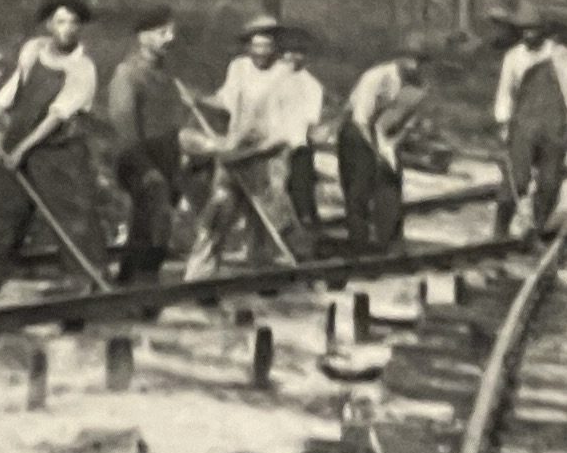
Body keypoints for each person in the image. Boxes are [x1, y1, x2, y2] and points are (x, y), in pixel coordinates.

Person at [0, 0, 108, 289]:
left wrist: (20, 150)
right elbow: (16, 86)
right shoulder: (33, 50)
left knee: (72, 214)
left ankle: (85, 278)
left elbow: (55, 118)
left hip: (58, 150)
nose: (67, 29)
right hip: (19, 137)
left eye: (73, 23)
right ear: (48, 25)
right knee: (5, 209)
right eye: (60, 21)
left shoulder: (82, 68)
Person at [183, 15, 327, 274]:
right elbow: (226, 101)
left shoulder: (289, 77)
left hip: (268, 158)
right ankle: (199, 278)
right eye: (255, 45)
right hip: (234, 153)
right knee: (217, 214)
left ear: (275, 47)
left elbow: (288, 133)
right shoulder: (239, 67)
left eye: (267, 45)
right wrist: (200, 99)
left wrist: (252, 153)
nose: (260, 52)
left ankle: (266, 276)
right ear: (247, 45)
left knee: (266, 222)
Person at [100, 5, 198, 283]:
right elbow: (125, 130)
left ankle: (128, 280)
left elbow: (171, 123)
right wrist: (146, 169)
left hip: (166, 158)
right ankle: (145, 284)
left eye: (171, 32)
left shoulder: (165, 76)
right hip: (136, 159)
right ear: (143, 37)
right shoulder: (127, 75)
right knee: (156, 218)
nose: (169, 38)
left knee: (146, 225)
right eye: (161, 32)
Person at [492, 11, 567, 237]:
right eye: (525, 30)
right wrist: (503, 121)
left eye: (534, 30)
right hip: (524, 124)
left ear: (543, 32)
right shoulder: (513, 57)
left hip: (553, 126)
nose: (529, 35)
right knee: (517, 179)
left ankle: (539, 225)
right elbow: (505, 91)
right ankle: (500, 230)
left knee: (550, 181)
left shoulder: (560, 55)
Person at [336, 36, 433, 256]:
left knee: (390, 183)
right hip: (357, 132)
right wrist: (374, 151)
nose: (414, 65)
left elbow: (407, 123)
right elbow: (361, 118)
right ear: (398, 58)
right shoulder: (375, 77)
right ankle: (358, 244)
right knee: (359, 189)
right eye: (409, 59)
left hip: (387, 134)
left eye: (419, 60)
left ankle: (388, 241)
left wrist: (389, 148)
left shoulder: (417, 86)